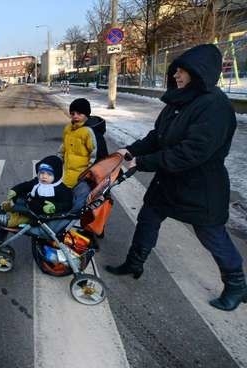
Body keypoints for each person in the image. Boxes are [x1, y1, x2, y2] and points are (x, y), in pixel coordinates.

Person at [105, 44, 246, 312]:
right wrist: (130, 150)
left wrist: (143, 162)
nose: (177, 75)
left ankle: (237, 285)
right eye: (176, 70)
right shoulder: (178, 101)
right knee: (148, 218)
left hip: (200, 188)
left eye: (183, 71)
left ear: (199, 72)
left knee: (211, 236)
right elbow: (157, 137)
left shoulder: (215, 106)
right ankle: (134, 263)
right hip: (169, 182)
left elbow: (191, 152)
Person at [0, 155, 73, 244]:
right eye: (42, 173)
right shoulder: (37, 181)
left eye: (49, 174)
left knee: (19, 218)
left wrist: (55, 207)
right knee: (12, 202)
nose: (44, 176)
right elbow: (26, 185)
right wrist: (15, 190)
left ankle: (3, 219)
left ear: (57, 175)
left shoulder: (61, 189)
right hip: (28, 203)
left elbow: (68, 203)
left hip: (37, 214)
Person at [58, 98, 109, 188]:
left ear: (86, 114)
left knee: (79, 201)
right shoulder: (68, 128)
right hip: (68, 175)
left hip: (83, 179)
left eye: (79, 113)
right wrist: (58, 160)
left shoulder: (88, 132)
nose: (75, 116)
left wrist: (88, 175)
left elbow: (96, 155)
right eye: (73, 114)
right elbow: (64, 146)